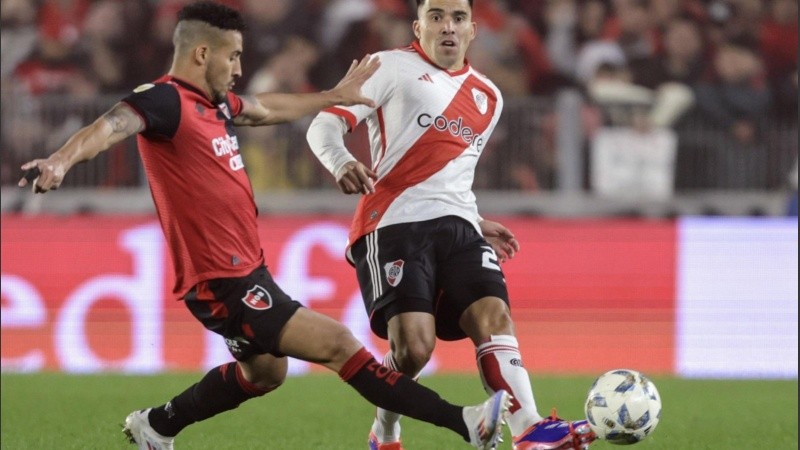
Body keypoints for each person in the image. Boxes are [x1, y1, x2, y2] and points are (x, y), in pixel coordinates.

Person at [16, 2, 512, 449]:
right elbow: (110, 124)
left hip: (247, 270)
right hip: (221, 282)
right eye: (232, 58)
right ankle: (465, 423)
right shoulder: (165, 101)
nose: (238, 69)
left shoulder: (214, 105)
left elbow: (266, 108)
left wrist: (335, 95)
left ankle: (157, 426)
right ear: (201, 53)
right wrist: (60, 161)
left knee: (265, 372)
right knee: (340, 345)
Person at [305, 1, 597, 449]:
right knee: (414, 349)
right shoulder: (388, 66)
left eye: (457, 17)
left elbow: (451, 173)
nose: (447, 26)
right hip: (395, 222)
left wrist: (476, 220)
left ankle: (529, 429)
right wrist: (342, 160)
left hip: (459, 226)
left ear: (473, 30)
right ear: (417, 25)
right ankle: (384, 428)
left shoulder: (489, 96)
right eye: (437, 16)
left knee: (493, 315)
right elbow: (322, 127)